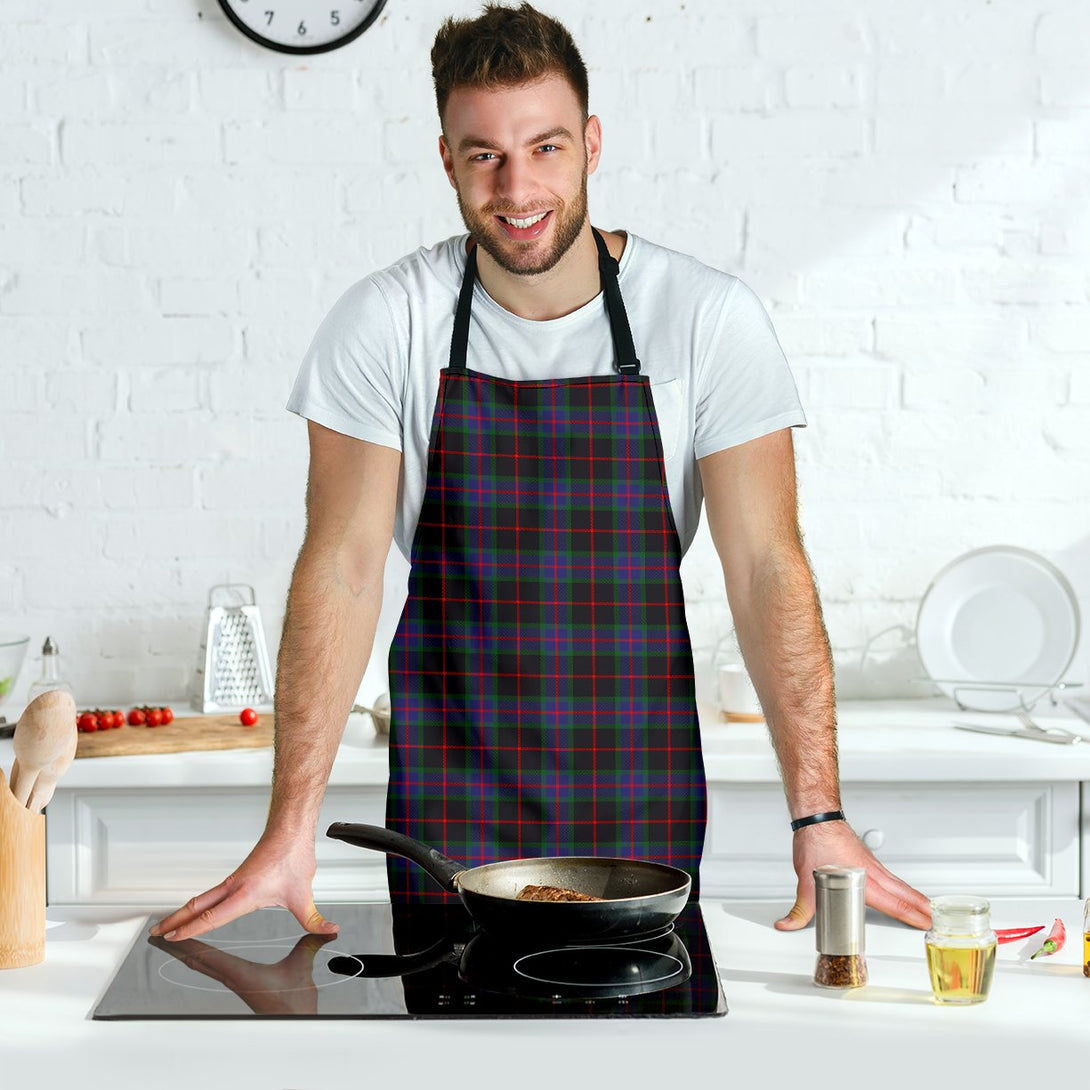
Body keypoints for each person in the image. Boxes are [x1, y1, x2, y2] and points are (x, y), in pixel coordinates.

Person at [152, 2, 931, 942]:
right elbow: (343, 570)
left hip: (640, 796)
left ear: (592, 144)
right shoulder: (386, 322)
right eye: (484, 153)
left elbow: (767, 566)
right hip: (449, 800)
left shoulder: (705, 319)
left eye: (546, 147)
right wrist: (289, 828)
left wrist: (819, 813)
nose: (517, 186)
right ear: (446, 158)